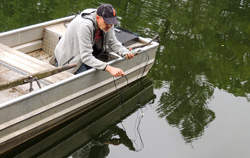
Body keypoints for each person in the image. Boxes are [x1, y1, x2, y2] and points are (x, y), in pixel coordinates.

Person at [54, 4, 134, 77]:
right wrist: (109, 68)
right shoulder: (85, 26)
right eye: (107, 22)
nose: (110, 25)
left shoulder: (108, 23)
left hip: (85, 53)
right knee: (87, 76)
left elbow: (113, 42)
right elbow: (86, 57)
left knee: (98, 69)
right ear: (97, 18)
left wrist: (125, 52)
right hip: (69, 58)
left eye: (112, 22)